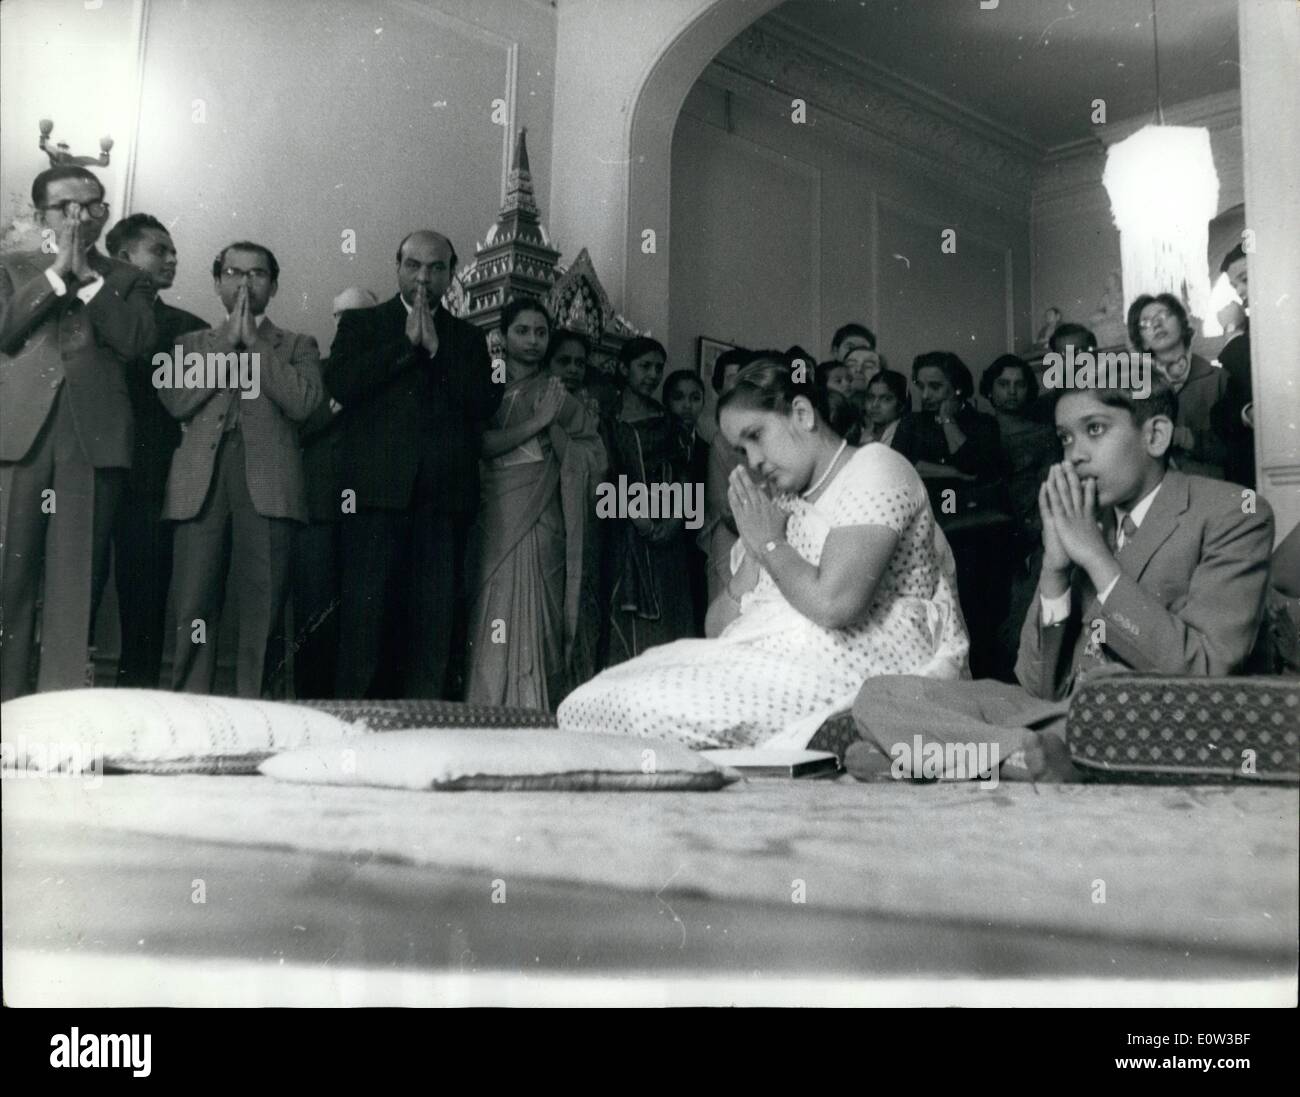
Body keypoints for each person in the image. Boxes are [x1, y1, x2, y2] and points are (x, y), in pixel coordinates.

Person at [848, 379, 1275, 782]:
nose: (1074, 455)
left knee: (868, 750)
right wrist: (1054, 569)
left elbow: (1206, 670)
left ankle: (944, 757)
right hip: (1058, 717)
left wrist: (1095, 557)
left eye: (1095, 429)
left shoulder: (1232, 512)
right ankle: (1016, 755)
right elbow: (1036, 685)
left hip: (1147, 718)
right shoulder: (1084, 516)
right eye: (1066, 438)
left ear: (1156, 436)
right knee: (880, 695)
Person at [557, 356, 968, 748]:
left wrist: (771, 544)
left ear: (803, 415)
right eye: (740, 449)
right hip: (776, 659)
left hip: (860, 661)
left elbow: (835, 605)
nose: (753, 460)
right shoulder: (778, 503)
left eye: (756, 436)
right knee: (590, 700)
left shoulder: (876, 466)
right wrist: (755, 551)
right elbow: (718, 629)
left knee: (643, 711)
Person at [1, 166, 156, 701]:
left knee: (73, 588)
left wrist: (87, 278)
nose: (81, 217)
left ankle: (52, 725)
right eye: (67, 207)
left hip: (94, 442)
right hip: (18, 441)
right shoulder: (12, 267)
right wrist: (53, 276)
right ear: (39, 214)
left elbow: (136, 340)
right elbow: (4, 332)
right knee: (6, 583)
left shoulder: (127, 278)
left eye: (93, 207)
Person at [326, 231, 499, 699]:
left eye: (436, 267)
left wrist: (438, 351)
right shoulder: (362, 325)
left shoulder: (468, 338)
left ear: (452, 272)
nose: (424, 277)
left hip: (442, 507)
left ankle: (423, 736)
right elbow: (341, 383)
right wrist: (406, 347)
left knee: (432, 630)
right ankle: (353, 739)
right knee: (365, 626)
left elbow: (484, 403)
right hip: (375, 503)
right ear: (397, 266)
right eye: (414, 265)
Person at [160, 242, 321, 696]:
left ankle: (255, 711)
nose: (245, 283)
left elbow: (304, 402)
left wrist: (253, 344)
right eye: (233, 272)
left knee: (263, 606)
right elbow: (176, 401)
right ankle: (189, 711)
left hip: (269, 483)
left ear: (273, 285)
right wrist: (227, 342)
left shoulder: (297, 345)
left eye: (257, 274)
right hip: (200, 482)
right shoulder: (186, 344)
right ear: (217, 282)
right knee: (193, 603)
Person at [464, 300, 605, 709]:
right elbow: (481, 444)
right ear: (502, 337)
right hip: (494, 514)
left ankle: (535, 711)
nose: (532, 340)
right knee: (491, 610)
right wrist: (540, 423)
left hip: (545, 519)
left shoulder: (556, 392)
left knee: (540, 614)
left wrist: (560, 441)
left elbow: (595, 456)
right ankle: (488, 709)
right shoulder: (484, 384)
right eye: (522, 331)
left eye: (540, 332)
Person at [103, 213, 209, 689]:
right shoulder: (81, 311)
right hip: (78, 474)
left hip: (148, 482)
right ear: (124, 257)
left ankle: (135, 711)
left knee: (144, 607)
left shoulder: (190, 329)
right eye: (159, 250)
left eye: (173, 251)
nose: (173, 258)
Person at [892, 351, 1013, 679]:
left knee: (976, 610)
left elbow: (980, 465)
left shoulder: (982, 423)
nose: (927, 395)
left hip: (975, 531)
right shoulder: (911, 423)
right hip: (929, 527)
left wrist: (948, 423)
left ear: (957, 388)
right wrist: (957, 475)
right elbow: (902, 468)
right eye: (922, 387)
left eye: (937, 387)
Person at [281, 287, 377, 699]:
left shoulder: (388, 372)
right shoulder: (311, 372)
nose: (349, 328)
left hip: (373, 515)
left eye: (361, 320)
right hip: (318, 512)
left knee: (366, 619)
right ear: (333, 320)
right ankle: (309, 707)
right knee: (313, 616)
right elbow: (289, 433)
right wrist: (334, 403)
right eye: (343, 318)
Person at [601, 336, 697, 665]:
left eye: (658, 368)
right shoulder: (608, 420)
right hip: (626, 532)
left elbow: (686, 476)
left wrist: (673, 522)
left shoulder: (669, 421)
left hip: (669, 537)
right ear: (623, 368)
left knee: (671, 617)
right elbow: (609, 475)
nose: (653, 375)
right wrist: (641, 520)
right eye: (645, 366)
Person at [1127, 293, 1228, 480]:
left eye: (1163, 316)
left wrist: (1183, 438)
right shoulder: (1134, 390)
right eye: (1146, 323)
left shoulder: (1218, 379)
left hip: (1211, 492)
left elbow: (1236, 451)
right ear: (1142, 341)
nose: (1156, 325)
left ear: (1182, 323)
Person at [663, 368, 711, 633]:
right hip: (662, 543)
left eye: (695, 398)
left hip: (696, 546)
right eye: (679, 398)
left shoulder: (708, 450)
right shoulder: (656, 446)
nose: (687, 406)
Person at [701, 346, 750, 603]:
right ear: (718, 386)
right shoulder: (717, 436)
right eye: (733, 379)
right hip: (731, 534)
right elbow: (721, 503)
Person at [1211, 244, 1255, 488]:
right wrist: (1246, 412)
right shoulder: (1250, 327)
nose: (1240, 292)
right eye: (1234, 285)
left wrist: (1232, 332)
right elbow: (1219, 415)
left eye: (1245, 279)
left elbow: (1262, 378)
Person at [863, 368, 909, 448]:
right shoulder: (862, 432)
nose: (874, 404)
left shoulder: (906, 438)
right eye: (870, 397)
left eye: (886, 399)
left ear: (901, 405)